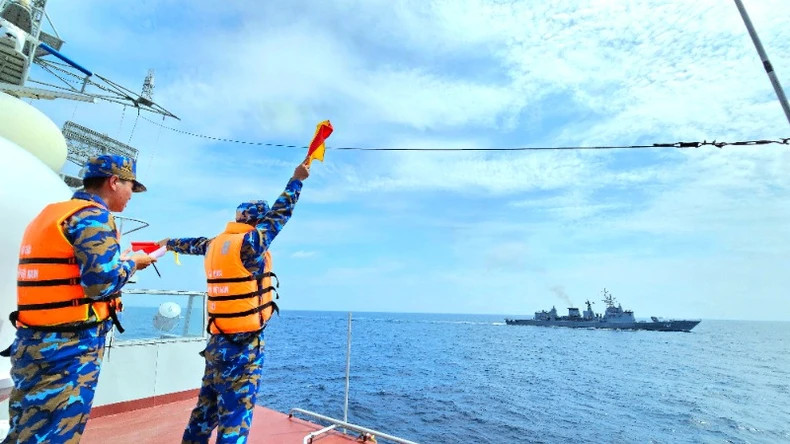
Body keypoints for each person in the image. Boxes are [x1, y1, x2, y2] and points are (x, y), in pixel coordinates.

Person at [2, 154, 156, 443]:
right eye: (130, 187)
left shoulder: (51, 214)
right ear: (114, 182)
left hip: (32, 340)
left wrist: (117, 262)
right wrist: (133, 263)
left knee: (26, 430)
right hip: (68, 348)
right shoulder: (94, 216)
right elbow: (101, 285)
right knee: (56, 433)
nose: (131, 196)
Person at [160, 159, 310, 444]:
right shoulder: (251, 244)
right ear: (256, 222)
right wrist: (297, 180)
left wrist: (168, 243)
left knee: (204, 412)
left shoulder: (214, 245)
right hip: (244, 348)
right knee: (235, 418)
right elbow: (281, 214)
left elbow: (192, 243)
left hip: (217, 343)